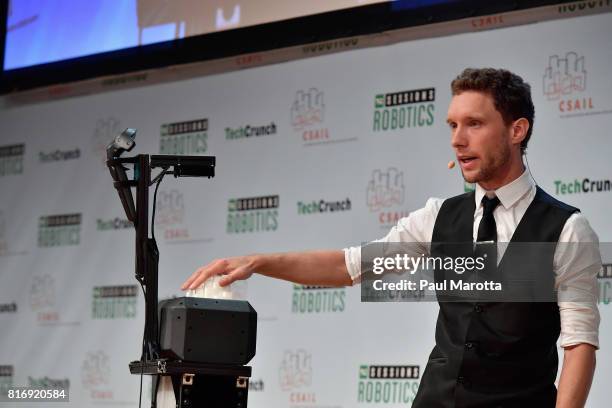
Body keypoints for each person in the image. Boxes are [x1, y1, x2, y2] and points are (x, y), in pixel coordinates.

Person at [181, 68, 600, 407]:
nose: (457, 139)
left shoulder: (566, 229)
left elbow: (579, 344)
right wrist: (260, 262)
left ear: (517, 130)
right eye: (453, 125)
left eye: (474, 124)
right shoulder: (439, 216)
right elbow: (349, 267)